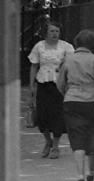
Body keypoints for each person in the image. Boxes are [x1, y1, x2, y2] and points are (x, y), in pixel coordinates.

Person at [59, 31, 94, 181]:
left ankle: (80, 176)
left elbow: (60, 83)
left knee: (77, 138)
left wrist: (68, 93)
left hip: (72, 101)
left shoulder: (67, 60)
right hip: (92, 101)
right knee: (92, 135)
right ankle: (92, 171)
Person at [27, 21, 72, 159]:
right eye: (52, 31)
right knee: (42, 114)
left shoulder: (66, 47)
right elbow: (34, 66)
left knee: (57, 114)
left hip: (59, 84)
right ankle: (48, 141)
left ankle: (56, 145)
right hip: (43, 83)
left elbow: (71, 66)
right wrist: (31, 85)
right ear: (46, 33)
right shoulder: (39, 46)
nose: (54, 34)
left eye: (57, 31)